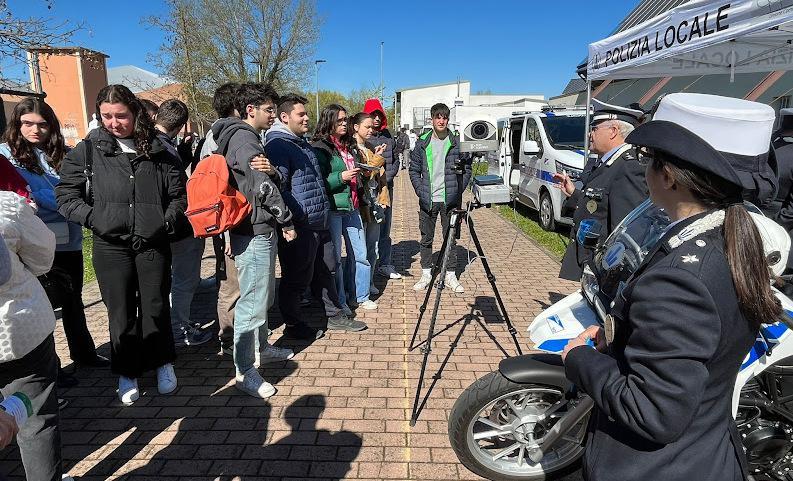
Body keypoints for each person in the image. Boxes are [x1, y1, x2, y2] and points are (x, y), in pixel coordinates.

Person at [562, 93, 781, 481]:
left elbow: (654, 413)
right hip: (705, 450)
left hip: (655, 467)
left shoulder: (680, 278)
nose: (644, 170)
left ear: (669, 176)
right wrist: (620, 339)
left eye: (650, 161)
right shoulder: (733, 234)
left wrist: (580, 358)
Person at [56, 84, 186, 405]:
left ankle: (161, 362)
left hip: (153, 243)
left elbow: (178, 196)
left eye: (121, 116)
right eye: (107, 116)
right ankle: (127, 370)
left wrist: (164, 221)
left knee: (155, 305)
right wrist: (96, 219)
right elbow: (66, 197)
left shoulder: (157, 149)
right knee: (120, 310)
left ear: (135, 113)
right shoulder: (87, 150)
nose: (114, 123)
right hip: (110, 246)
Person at [0, 98, 107, 372]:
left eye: (43, 124)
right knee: (44, 304)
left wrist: (69, 201)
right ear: (17, 124)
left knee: (74, 300)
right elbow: (27, 197)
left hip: (68, 239)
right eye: (27, 124)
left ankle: (84, 354)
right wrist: (66, 202)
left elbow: (82, 188)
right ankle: (52, 368)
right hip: (31, 244)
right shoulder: (7, 155)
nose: (35, 130)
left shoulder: (64, 153)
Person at [210, 83, 296, 398]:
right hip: (255, 230)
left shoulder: (233, 136)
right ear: (251, 110)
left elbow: (260, 178)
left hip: (249, 228)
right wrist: (286, 220)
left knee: (260, 297)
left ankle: (262, 347)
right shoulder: (245, 138)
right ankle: (245, 371)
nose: (273, 116)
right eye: (269, 110)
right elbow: (261, 186)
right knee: (253, 304)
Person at [265, 94, 366, 337]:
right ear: (284, 117)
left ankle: (334, 315)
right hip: (301, 224)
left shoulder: (301, 143)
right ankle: (293, 324)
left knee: (327, 269)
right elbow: (280, 187)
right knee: (297, 276)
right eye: (301, 114)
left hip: (318, 221)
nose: (307, 118)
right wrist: (295, 218)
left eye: (307, 114)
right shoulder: (278, 145)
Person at [0, 189, 74, 481]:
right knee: (37, 422)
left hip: (20, 334)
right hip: (20, 332)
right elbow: (43, 259)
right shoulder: (6, 205)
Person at [554, 100, 647, 282]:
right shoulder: (606, 162)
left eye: (595, 128)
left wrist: (611, 279)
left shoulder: (629, 167)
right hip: (592, 262)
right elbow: (599, 205)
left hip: (605, 270)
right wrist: (574, 193)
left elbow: (625, 232)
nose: (589, 133)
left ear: (613, 131)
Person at [154, 99, 213, 347]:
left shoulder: (151, 144)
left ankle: (174, 327)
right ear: (181, 126)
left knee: (170, 280)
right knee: (183, 280)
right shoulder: (164, 149)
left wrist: (184, 155)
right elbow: (172, 189)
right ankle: (179, 330)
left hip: (159, 225)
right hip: (176, 226)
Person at [312, 105, 377, 312]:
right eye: (339, 120)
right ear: (328, 121)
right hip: (334, 208)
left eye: (345, 120)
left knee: (360, 255)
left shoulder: (348, 145)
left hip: (353, 206)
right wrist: (341, 177)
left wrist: (363, 174)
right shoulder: (320, 147)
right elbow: (317, 181)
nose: (343, 124)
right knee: (337, 261)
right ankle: (340, 300)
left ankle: (360, 295)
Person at [197, 82, 242, 354]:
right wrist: (224, 234)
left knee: (234, 283)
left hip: (232, 224)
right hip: (228, 226)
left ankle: (237, 334)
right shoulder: (218, 139)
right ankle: (228, 338)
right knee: (230, 285)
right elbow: (216, 192)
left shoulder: (218, 135)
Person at [409, 103, 471, 293]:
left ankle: (450, 274)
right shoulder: (422, 142)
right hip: (428, 200)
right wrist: (421, 190)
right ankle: (426, 273)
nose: (441, 120)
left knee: (450, 238)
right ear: (432, 119)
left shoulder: (457, 142)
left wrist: (457, 191)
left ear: (448, 119)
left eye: (444, 117)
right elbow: (413, 170)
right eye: (438, 117)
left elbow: (467, 169)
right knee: (426, 239)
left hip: (449, 200)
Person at [350, 112, 388, 296]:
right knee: (360, 250)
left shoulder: (371, 147)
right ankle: (358, 287)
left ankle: (369, 280)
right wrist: (378, 158)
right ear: (356, 127)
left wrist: (384, 198)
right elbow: (366, 174)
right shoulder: (351, 149)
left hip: (374, 201)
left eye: (372, 127)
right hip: (362, 202)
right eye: (367, 127)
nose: (371, 130)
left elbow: (379, 177)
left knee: (373, 246)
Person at [363, 99, 402, 280]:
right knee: (368, 225)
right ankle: (366, 263)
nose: (377, 119)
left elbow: (394, 161)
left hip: (386, 187)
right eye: (373, 115)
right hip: (368, 187)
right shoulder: (363, 136)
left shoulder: (388, 135)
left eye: (379, 115)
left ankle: (385, 263)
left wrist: (387, 177)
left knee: (385, 226)